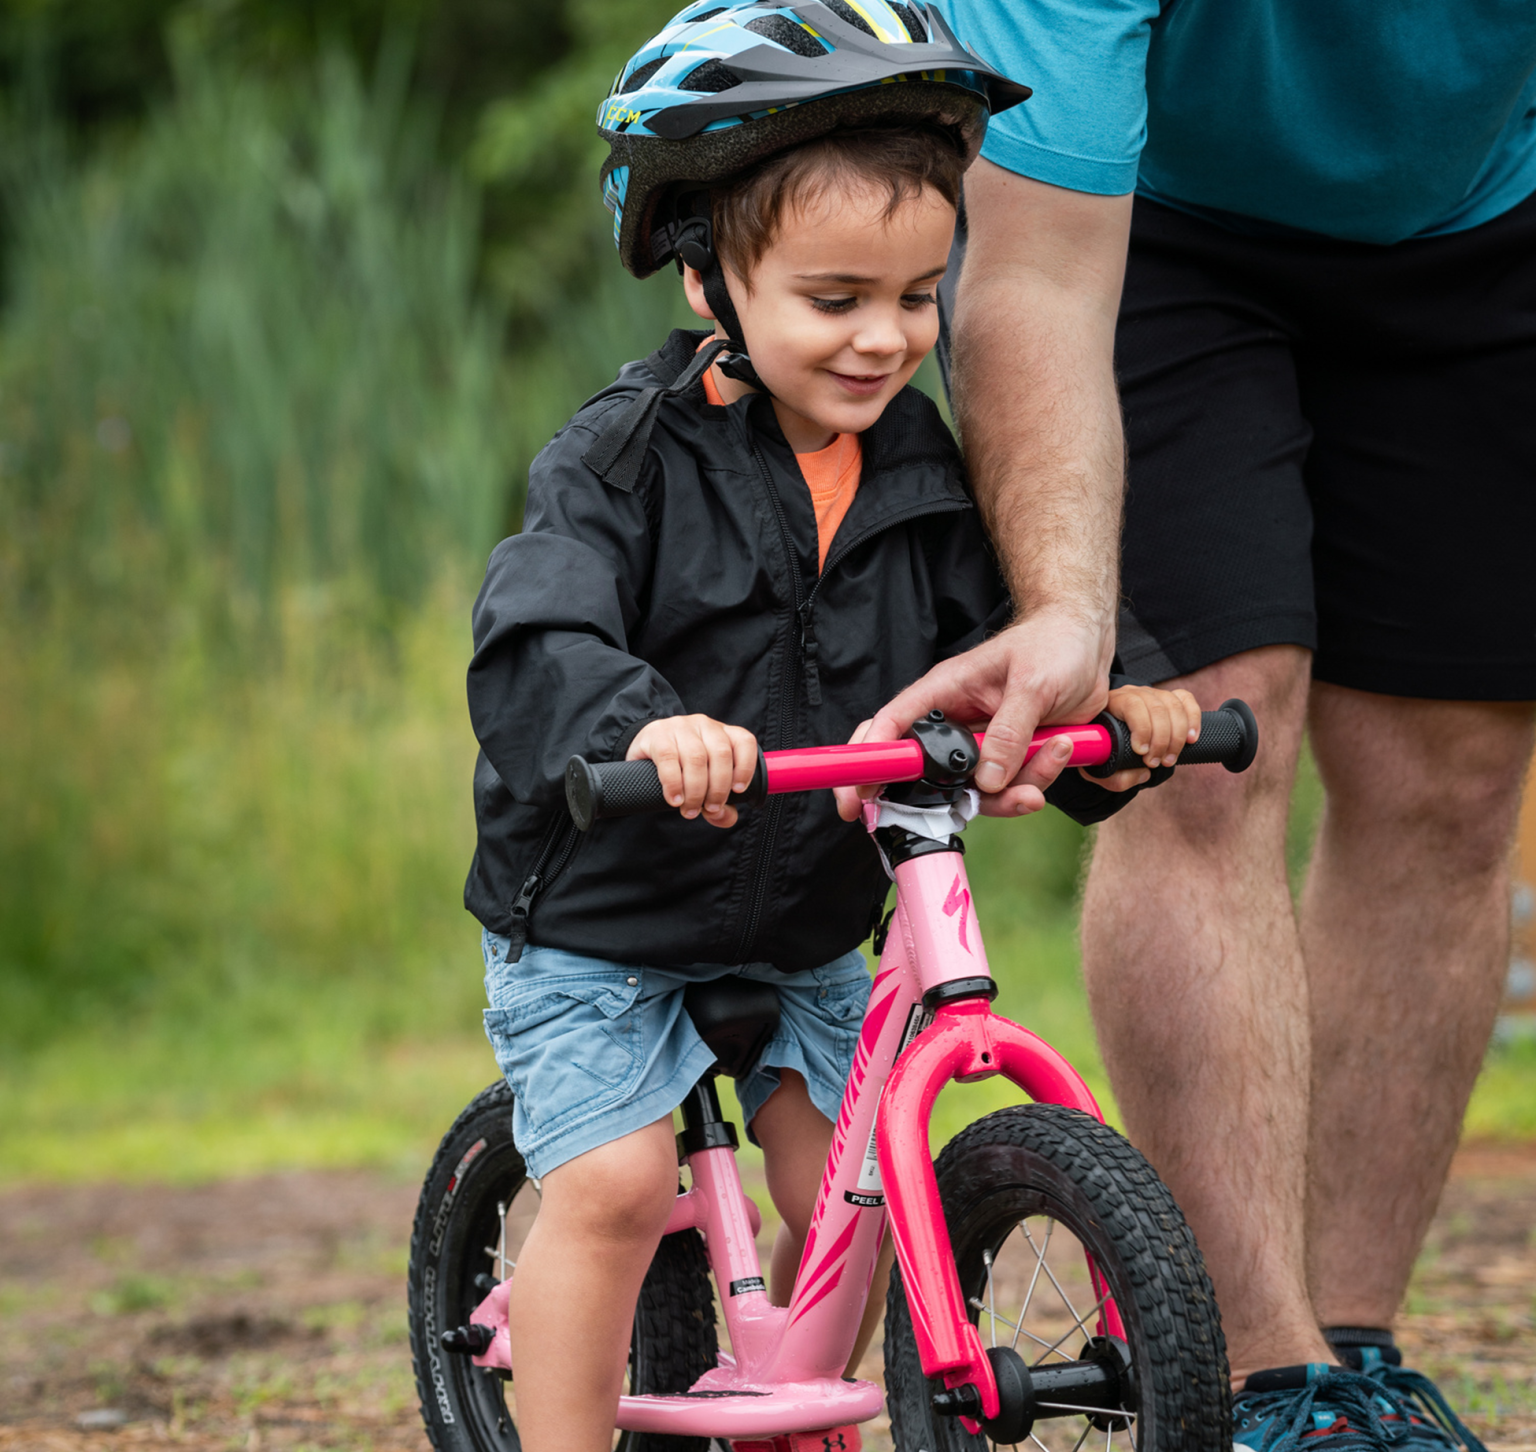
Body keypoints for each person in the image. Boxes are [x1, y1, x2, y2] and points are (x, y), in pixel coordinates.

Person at [463, 7, 1199, 1451]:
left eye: (919, 297)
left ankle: (789, 1410)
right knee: (614, 1188)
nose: (885, 338)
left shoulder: (919, 461)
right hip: (606, 917)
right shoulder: (621, 460)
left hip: (803, 914)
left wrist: (1121, 699)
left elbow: (1006, 627)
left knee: (849, 1197)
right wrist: (653, 729)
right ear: (708, 279)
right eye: (835, 297)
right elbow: (535, 640)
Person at [844, 0, 1536, 1447]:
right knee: (1200, 743)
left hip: (1489, 211)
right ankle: (1260, 1380)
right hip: (1150, 220)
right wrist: (1067, 610)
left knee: (1456, 770)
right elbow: (1033, 273)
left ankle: (1351, 1373)